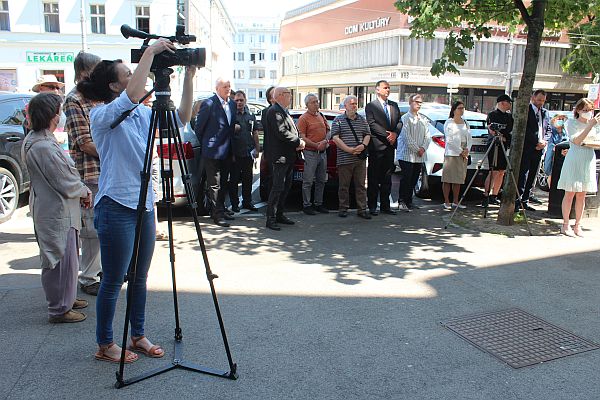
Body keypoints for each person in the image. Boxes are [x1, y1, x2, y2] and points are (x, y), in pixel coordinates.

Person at [77, 38, 196, 363]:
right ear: (114, 85)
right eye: (128, 73)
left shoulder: (143, 114)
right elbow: (132, 95)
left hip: (144, 204)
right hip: (115, 205)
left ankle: (138, 335)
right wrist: (151, 52)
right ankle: (105, 344)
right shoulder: (102, 115)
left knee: (141, 277)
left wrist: (188, 76)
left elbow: (181, 119)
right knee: (114, 279)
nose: (135, 77)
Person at [22, 92, 92, 323]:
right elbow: (64, 180)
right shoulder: (42, 145)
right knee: (59, 259)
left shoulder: (40, 139)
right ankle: (59, 308)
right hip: (55, 211)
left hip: (56, 208)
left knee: (68, 257)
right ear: (53, 116)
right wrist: (83, 190)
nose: (60, 116)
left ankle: (66, 298)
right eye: (59, 112)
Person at [64, 51, 103, 296]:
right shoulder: (74, 99)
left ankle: (99, 272)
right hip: (90, 173)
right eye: (98, 71)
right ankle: (89, 277)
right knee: (91, 228)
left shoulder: (98, 96)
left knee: (103, 226)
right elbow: (84, 142)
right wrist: (114, 152)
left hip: (105, 171)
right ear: (85, 73)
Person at [194, 78, 236, 227]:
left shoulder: (232, 104)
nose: (228, 89)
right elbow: (199, 129)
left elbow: (230, 127)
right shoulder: (209, 104)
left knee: (224, 182)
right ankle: (216, 214)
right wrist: (208, 143)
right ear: (217, 88)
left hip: (227, 150)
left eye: (229, 86)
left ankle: (221, 209)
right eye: (225, 86)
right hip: (212, 151)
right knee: (214, 184)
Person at [264, 86, 305, 230]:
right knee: (277, 188)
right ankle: (271, 218)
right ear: (281, 95)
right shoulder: (274, 111)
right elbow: (282, 132)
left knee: (285, 187)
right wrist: (298, 141)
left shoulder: (283, 110)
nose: (291, 97)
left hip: (288, 156)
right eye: (289, 94)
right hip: (280, 157)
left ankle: (279, 214)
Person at [557, 99, 599, 237]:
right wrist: (590, 126)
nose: (588, 113)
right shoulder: (572, 123)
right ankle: (565, 224)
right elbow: (576, 140)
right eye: (585, 110)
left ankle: (578, 224)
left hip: (588, 158)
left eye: (590, 110)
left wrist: (593, 126)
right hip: (575, 158)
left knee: (582, 194)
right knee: (570, 193)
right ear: (578, 110)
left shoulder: (595, 125)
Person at [365, 80, 402, 215]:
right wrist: (388, 135)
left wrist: (395, 134)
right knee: (374, 178)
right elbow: (372, 124)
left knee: (387, 177)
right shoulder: (371, 106)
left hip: (390, 147)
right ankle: (372, 206)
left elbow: (399, 122)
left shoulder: (394, 105)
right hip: (377, 146)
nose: (387, 90)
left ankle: (386, 206)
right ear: (377, 90)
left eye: (389, 88)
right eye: (385, 88)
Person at [331, 95, 371, 219]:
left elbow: (368, 134)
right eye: (351, 103)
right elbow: (335, 138)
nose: (354, 106)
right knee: (344, 186)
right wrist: (349, 150)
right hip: (344, 158)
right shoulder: (338, 120)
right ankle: (343, 208)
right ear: (345, 105)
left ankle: (362, 209)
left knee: (360, 185)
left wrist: (363, 145)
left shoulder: (362, 119)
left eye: (355, 104)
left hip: (359, 159)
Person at [517, 89, 550, 211]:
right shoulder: (526, 111)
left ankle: (525, 199)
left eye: (543, 100)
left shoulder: (545, 113)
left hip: (540, 149)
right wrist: (536, 143)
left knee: (532, 176)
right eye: (539, 100)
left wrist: (544, 141)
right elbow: (525, 130)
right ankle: (518, 199)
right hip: (528, 148)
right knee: (523, 175)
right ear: (533, 98)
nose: (541, 102)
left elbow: (548, 129)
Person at [396, 94, 431, 211]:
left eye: (421, 102)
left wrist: (423, 148)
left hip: (419, 156)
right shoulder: (405, 118)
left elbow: (428, 136)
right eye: (417, 102)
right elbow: (406, 137)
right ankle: (401, 201)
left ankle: (409, 201)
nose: (419, 104)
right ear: (410, 102)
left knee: (414, 179)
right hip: (407, 155)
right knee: (406, 178)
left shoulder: (423, 119)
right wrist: (417, 149)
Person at [298, 93, 330, 215]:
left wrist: (325, 141)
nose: (316, 104)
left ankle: (318, 203)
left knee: (321, 180)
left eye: (317, 101)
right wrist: (316, 145)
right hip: (310, 153)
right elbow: (302, 137)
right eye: (313, 102)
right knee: (308, 181)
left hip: (322, 153)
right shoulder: (303, 118)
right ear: (307, 105)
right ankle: (307, 205)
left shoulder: (321, 115)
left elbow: (328, 130)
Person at [229, 90, 260, 212]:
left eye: (241, 100)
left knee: (248, 179)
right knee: (234, 180)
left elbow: (255, 132)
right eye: (236, 100)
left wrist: (257, 149)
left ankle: (247, 202)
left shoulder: (250, 115)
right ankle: (234, 204)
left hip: (248, 152)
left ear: (245, 100)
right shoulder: (231, 115)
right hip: (235, 153)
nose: (239, 102)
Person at [482, 94, 514, 207]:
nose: (510, 105)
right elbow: (492, 130)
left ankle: (494, 195)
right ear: (502, 103)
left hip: (504, 146)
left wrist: (505, 138)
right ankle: (486, 195)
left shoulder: (509, 117)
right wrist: (498, 135)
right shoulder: (492, 115)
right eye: (508, 102)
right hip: (494, 145)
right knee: (493, 171)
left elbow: (509, 132)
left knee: (501, 172)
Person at [442, 101, 472, 209]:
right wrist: (460, 151)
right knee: (448, 178)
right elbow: (449, 140)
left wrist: (467, 149)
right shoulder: (449, 122)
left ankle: (456, 201)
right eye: (459, 108)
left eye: (463, 108)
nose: (462, 110)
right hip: (452, 153)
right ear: (454, 110)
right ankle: (446, 201)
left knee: (458, 179)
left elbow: (469, 138)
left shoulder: (465, 122)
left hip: (463, 153)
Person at [543, 114, 568, 188]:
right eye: (559, 119)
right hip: (553, 155)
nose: (560, 121)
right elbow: (550, 144)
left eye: (562, 119)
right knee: (551, 174)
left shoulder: (564, 131)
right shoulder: (551, 130)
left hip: (563, 156)